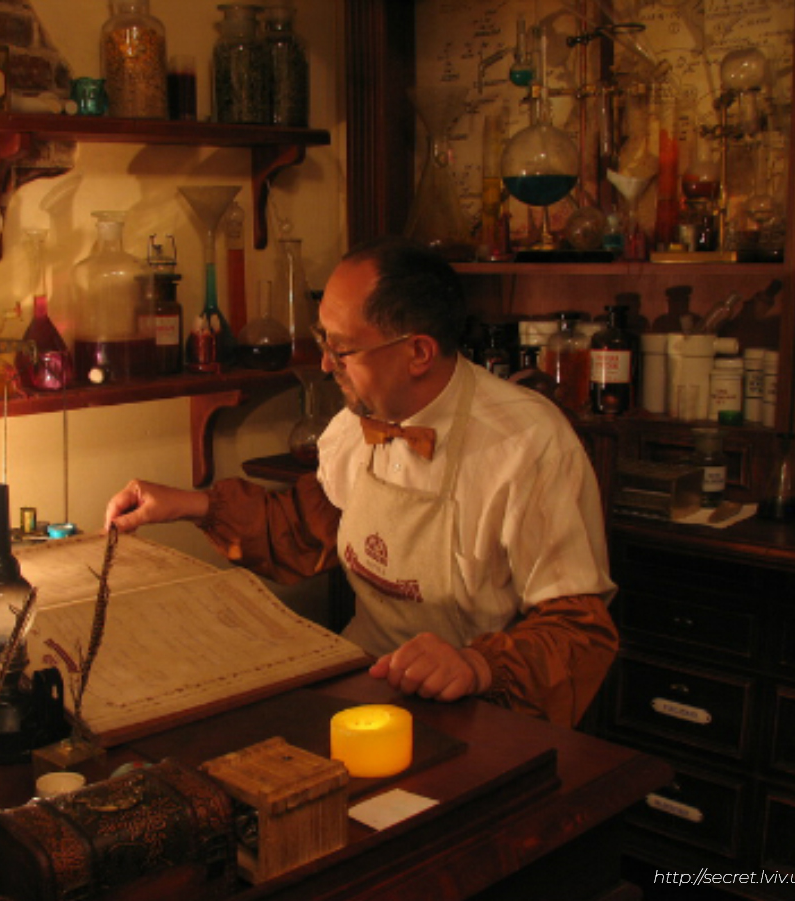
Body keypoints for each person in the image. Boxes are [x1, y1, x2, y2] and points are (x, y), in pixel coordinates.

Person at [105, 237, 617, 727]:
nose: (326, 364)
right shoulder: (356, 424)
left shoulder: (528, 445)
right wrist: (188, 505)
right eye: (323, 340)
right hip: (367, 685)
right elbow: (304, 529)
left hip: (481, 713)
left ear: (418, 353)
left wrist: (475, 666)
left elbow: (578, 633)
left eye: (343, 348)